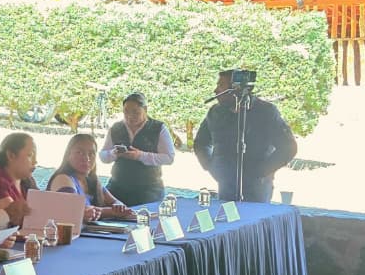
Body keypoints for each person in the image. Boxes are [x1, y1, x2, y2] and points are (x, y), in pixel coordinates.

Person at [194, 70, 298, 203]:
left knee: (254, 215)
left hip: (257, 187)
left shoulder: (265, 112)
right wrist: (210, 166)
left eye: (221, 85)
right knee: (228, 216)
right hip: (226, 184)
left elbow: (288, 147)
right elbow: (201, 143)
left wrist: (262, 171)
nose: (216, 90)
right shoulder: (216, 112)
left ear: (235, 89)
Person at [99, 92, 175, 206]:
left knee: (145, 214)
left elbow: (169, 158)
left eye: (135, 112)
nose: (130, 116)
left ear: (145, 109)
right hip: (117, 186)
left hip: (149, 188)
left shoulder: (158, 128)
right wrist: (113, 153)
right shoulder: (116, 128)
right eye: (126, 112)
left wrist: (140, 156)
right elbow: (103, 156)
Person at [49, 133, 136, 222]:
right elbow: (75, 210)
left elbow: (116, 202)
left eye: (91, 153)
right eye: (79, 152)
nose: (86, 158)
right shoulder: (63, 179)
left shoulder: (93, 181)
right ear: (68, 155)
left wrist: (119, 207)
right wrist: (112, 212)